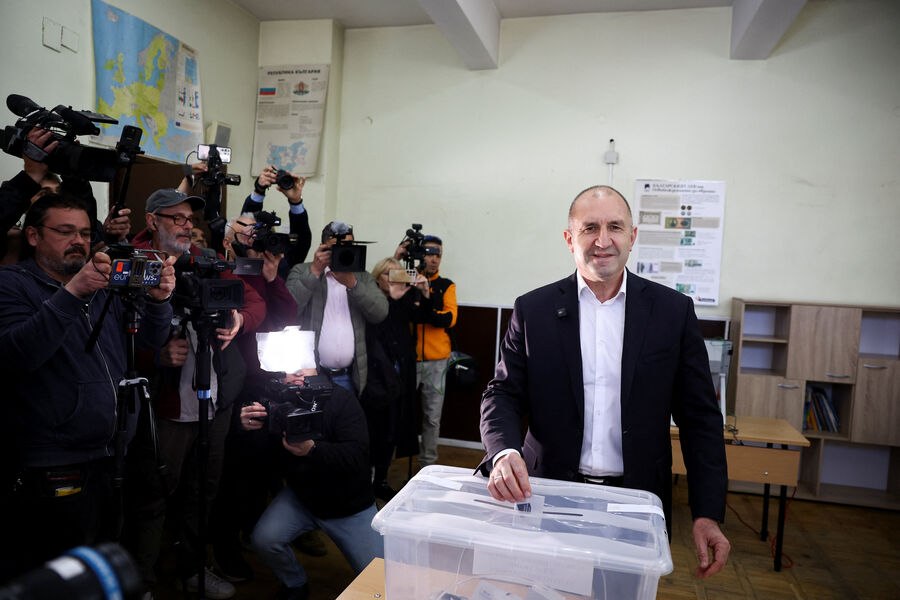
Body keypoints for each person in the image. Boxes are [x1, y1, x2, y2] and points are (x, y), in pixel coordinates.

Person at [479, 185, 731, 579]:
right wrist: (504, 452)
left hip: (636, 501)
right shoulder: (534, 310)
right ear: (569, 239)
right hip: (548, 495)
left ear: (633, 236)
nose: (602, 240)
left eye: (615, 227)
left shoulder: (672, 312)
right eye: (589, 228)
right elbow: (503, 393)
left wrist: (707, 512)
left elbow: (701, 419)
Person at [0, 193, 175, 579]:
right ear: (33, 235)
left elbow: (150, 341)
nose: (78, 241)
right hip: (53, 460)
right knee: (55, 572)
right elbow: (17, 355)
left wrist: (160, 302)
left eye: (83, 232)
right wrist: (72, 294)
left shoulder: (103, 287)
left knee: (99, 564)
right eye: (65, 232)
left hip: (112, 454)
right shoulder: (11, 284)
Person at [124, 189, 266, 599]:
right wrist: (155, 356)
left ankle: (191, 569)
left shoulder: (207, 261)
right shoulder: (134, 262)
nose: (187, 226)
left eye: (190, 219)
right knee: (153, 494)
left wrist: (238, 319)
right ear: (152, 220)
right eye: (177, 218)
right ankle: (142, 581)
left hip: (214, 400)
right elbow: (115, 336)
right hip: (166, 406)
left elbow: (255, 302)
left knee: (203, 491)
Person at [209, 212, 298, 582]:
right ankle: (225, 546)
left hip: (266, 377)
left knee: (261, 467)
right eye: (245, 230)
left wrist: (272, 277)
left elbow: (287, 317)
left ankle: (252, 532)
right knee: (234, 473)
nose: (253, 237)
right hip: (232, 381)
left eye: (257, 231)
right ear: (227, 239)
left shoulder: (261, 271)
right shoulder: (221, 270)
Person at [242, 368, 384, 600]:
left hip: (350, 506)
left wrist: (313, 450)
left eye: (303, 366)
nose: (297, 373)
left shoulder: (341, 400)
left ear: (316, 366)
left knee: (381, 579)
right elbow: (263, 460)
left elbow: (358, 456)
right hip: (303, 498)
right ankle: (295, 583)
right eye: (288, 370)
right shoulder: (277, 401)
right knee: (264, 539)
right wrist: (246, 428)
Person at [286, 221, 388, 396]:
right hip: (310, 373)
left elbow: (380, 313)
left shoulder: (362, 277)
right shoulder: (302, 270)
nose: (342, 251)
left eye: (348, 246)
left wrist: (353, 285)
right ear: (322, 247)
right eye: (335, 247)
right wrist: (314, 271)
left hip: (348, 376)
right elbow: (288, 311)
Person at [364, 257, 429, 499]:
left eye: (396, 275)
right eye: (387, 274)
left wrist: (424, 292)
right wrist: (391, 299)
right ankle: (366, 479)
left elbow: (421, 317)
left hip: (401, 376)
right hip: (376, 378)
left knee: (392, 431)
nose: (392, 280)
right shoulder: (371, 302)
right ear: (377, 277)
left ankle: (381, 479)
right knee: (375, 430)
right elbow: (376, 329)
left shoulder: (403, 300)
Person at [399, 234, 457, 468]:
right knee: (399, 411)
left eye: (438, 254)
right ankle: (384, 467)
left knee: (432, 417)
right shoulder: (407, 278)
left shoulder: (446, 285)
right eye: (429, 253)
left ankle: (428, 466)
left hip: (437, 360)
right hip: (408, 358)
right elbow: (387, 292)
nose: (434, 259)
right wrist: (397, 257)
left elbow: (449, 319)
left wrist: (424, 304)